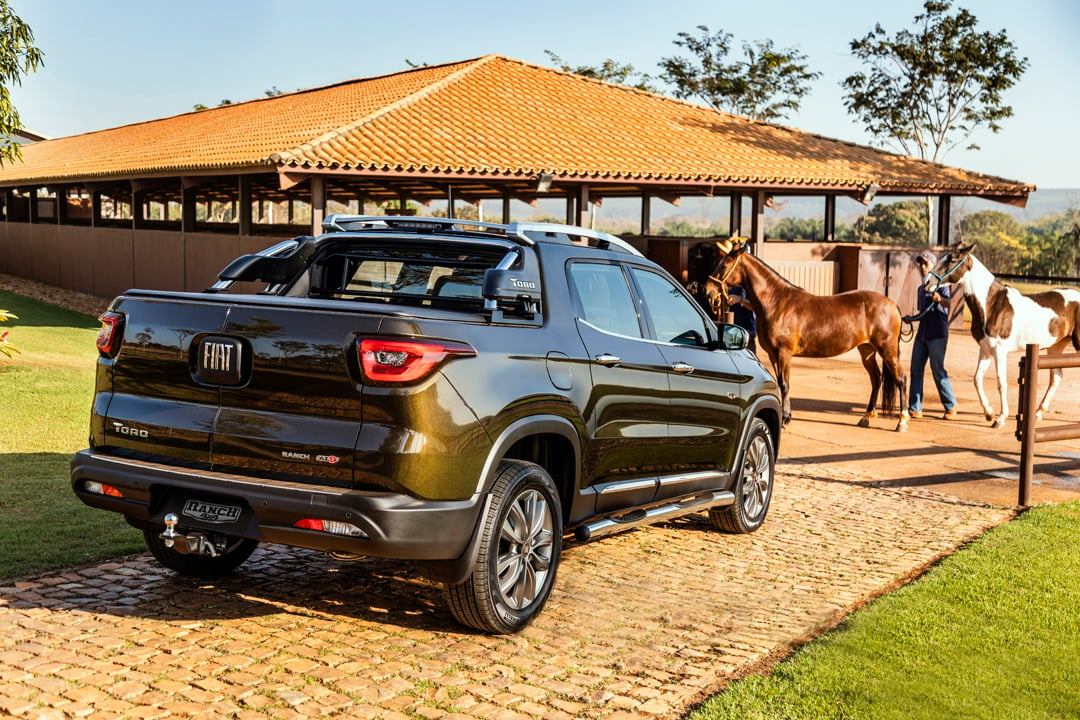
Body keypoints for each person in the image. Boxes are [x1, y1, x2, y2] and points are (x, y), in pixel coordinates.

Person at [908, 250, 958, 420]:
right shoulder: (920, 289)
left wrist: (939, 299)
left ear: (934, 266)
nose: (922, 267)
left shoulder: (942, 285)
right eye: (920, 264)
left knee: (937, 369)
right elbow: (922, 312)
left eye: (926, 264)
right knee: (915, 369)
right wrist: (910, 319)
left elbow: (948, 304)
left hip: (937, 333)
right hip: (922, 333)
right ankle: (915, 407)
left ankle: (951, 405)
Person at [726, 285, 757, 353]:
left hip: (748, 331)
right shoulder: (732, 289)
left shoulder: (751, 288)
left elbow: (754, 306)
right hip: (733, 331)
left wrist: (740, 300)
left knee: (749, 357)